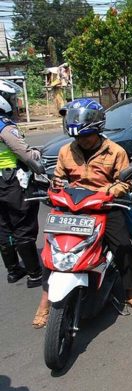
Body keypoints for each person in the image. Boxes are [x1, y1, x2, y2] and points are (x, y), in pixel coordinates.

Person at [33, 98, 132, 329]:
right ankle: (45, 302)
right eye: (78, 137)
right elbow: (59, 177)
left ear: (97, 131)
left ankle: (131, 292)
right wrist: (55, 184)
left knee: (123, 246)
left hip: (105, 206)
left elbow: (124, 182)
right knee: (53, 249)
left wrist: (112, 191)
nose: (82, 141)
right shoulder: (66, 151)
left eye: (86, 136)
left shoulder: (115, 151)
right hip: (73, 207)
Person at [0, 81, 43, 289]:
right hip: (12, 182)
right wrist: (36, 153)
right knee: (23, 226)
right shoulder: (5, 126)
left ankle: (13, 270)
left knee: (3, 228)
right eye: (11, 98)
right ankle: (34, 274)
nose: (14, 102)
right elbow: (24, 154)